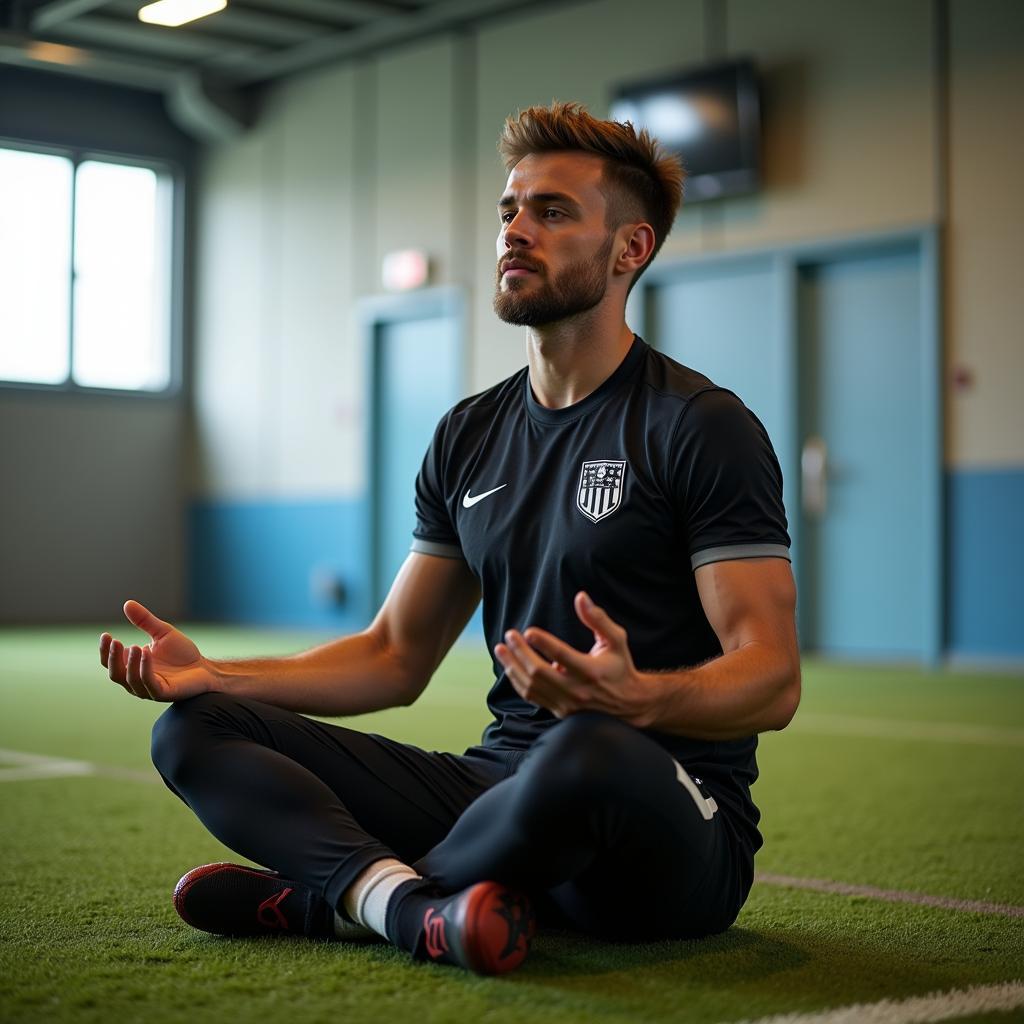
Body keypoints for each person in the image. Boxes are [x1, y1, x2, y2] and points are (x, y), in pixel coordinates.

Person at [100, 102, 799, 976]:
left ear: (631, 249)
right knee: (194, 728)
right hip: (497, 791)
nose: (515, 231)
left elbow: (771, 675)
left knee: (589, 749)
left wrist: (639, 699)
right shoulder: (470, 433)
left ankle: (336, 902)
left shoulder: (698, 425)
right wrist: (218, 677)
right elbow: (395, 654)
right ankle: (405, 905)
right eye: (509, 209)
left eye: (553, 212)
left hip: (662, 825)